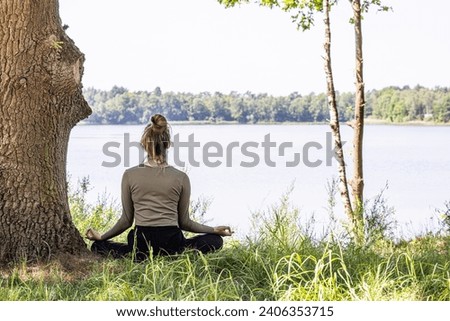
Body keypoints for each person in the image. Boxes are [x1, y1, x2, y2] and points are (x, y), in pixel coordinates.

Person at [86, 114, 232, 260]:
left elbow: (126, 220)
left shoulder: (129, 175)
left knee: (99, 246)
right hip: (171, 243)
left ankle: (138, 256)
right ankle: (175, 255)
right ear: (168, 144)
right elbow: (185, 222)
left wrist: (102, 236)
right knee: (215, 240)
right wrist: (213, 230)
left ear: (144, 145)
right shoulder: (181, 177)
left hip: (142, 243)